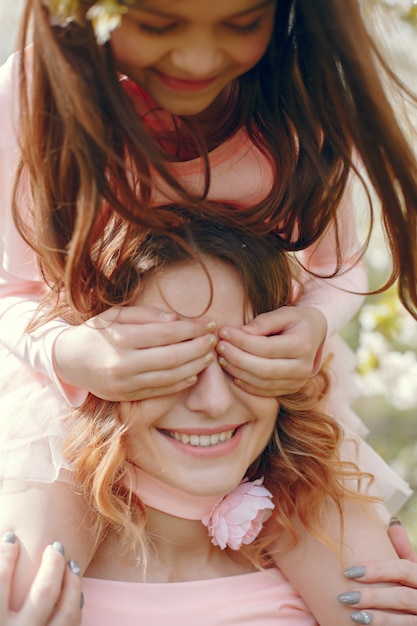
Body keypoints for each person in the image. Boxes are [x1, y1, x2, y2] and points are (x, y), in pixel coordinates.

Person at [0, 0, 415, 613]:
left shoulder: (298, 87)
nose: (197, 57)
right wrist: (69, 351)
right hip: (81, 398)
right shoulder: (40, 92)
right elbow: (11, 286)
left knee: (374, 601)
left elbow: (339, 268)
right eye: (160, 25)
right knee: (23, 594)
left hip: (270, 399)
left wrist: (315, 323)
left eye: (242, 24)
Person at [57, 214, 415, 625]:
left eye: (243, 358)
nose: (213, 401)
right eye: (171, 362)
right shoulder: (39, 576)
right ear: (98, 371)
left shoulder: (343, 563)